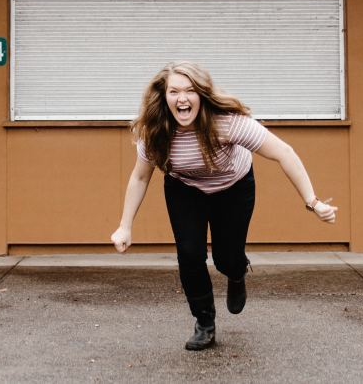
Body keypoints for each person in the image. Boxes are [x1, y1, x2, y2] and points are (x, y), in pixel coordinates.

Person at [110, 61, 338, 351]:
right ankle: (204, 322)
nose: (182, 99)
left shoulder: (226, 123)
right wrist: (125, 226)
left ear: (202, 94)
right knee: (189, 255)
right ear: (163, 96)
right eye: (174, 91)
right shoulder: (156, 130)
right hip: (185, 188)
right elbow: (140, 177)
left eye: (190, 91)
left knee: (226, 257)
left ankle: (236, 271)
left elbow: (284, 152)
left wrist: (312, 201)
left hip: (233, 188)